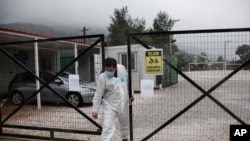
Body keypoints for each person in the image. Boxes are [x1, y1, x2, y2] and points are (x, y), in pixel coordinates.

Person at [92, 57, 134, 141]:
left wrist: (131, 94)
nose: (108, 72)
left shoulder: (122, 69)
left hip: (123, 103)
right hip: (110, 105)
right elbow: (98, 94)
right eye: (106, 70)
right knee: (107, 126)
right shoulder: (102, 77)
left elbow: (127, 82)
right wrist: (95, 110)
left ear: (115, 67)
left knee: (125, 123)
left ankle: (125, 138)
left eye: (111, 70)